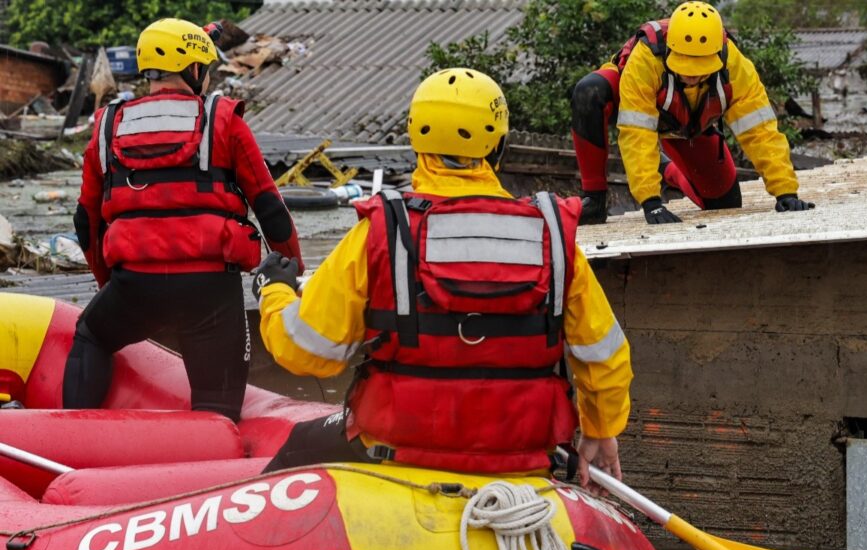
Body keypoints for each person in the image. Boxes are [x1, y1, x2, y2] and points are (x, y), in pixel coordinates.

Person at [253, 68, 630, 490]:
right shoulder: (553, 239)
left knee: (300, 446)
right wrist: (600, 428)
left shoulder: (381, 231)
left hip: (400, 454)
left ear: (416, 142)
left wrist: (275, 292)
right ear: (500, 145)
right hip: (522, 459)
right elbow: (605, 358)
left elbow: (306, 351)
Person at [65, 18, 303, 422]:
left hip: (134, 286)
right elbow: (271, 211)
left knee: (92, 335)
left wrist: (112, 285)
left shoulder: (107, 126)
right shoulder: (225, 120)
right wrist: (290, 274)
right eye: (205, 71)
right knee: (218, 410)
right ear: (195, 70)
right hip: (210, 292)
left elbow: (86, 222)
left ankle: (66, 437)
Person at [570, 1, 814, 225]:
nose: (692, 75)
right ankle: (594, 199)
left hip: (691, 125)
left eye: (700, 68)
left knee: (723, 205)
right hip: (635, 104)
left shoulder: (735, 65)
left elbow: (760, 131)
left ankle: (666, 170)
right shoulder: (647, 58)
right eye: (686, 65)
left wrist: (785, 192)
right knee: (588, 92)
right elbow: (637, 132)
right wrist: (650, 202)